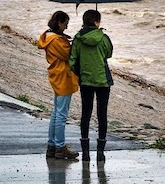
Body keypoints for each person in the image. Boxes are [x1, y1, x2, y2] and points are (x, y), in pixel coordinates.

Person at [69, 9, 113, 162]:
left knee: (85, 114)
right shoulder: (104, 38)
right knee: (102, 114)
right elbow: (109, 54)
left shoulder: (78, 38)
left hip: (86, 81)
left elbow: (72, 61)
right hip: (103, 81)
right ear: (96, 22)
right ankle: (100, 152)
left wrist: (81, 73)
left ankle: (86, 152)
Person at [37, 11, 80, 160]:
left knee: (56, 113)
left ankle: (52, 146)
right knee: (61, 115)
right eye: (65, 23)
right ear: (60, 23)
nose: (67, 26)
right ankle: (60, 147)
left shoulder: (48, 37)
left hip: (57, 75)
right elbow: (70, 55)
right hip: (64, 77)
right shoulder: (57, 40)